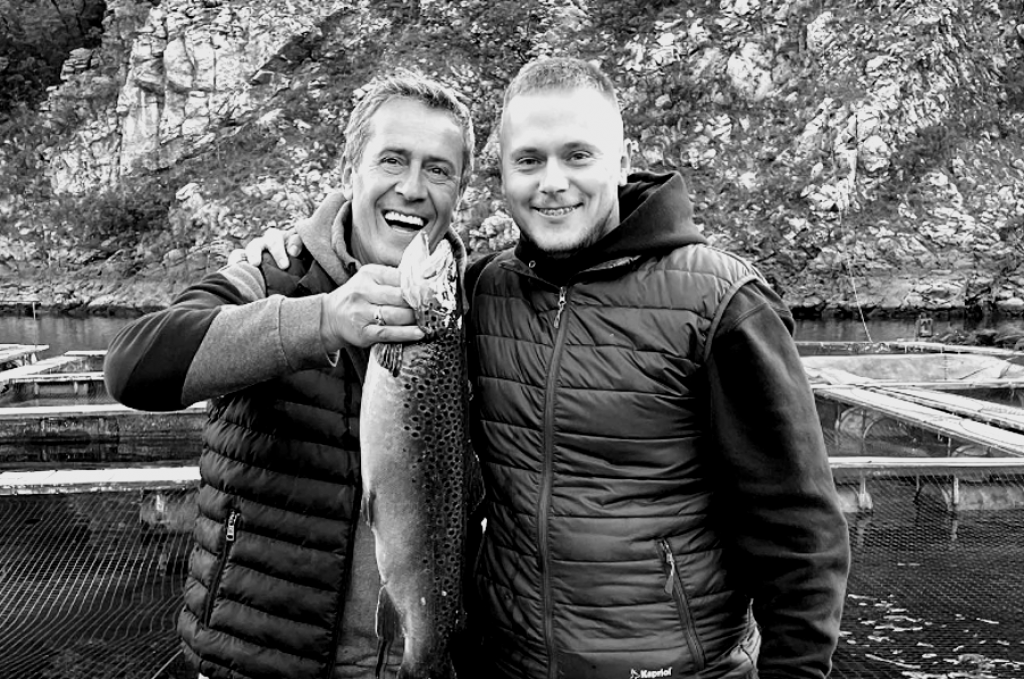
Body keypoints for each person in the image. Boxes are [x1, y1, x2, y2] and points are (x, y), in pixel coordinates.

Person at [247, 57, 851, 679]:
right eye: (529, 160)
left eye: (577, 155)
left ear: (621, 162)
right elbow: (371, 295)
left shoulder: (722, 302)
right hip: (505, 665)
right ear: (504, 176)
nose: (553, 182)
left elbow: (798, 531)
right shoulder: (483, 291)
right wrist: (298, 244)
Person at [103, 70, 477, 679]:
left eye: (438, 170)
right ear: (350, 170)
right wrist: (320, 320)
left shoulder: (480, 308)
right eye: (392, 160)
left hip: (413, 653)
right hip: (255, 660)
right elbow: (132, 367)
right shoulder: (271, 275)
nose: (412, 188)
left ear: (460, 191)